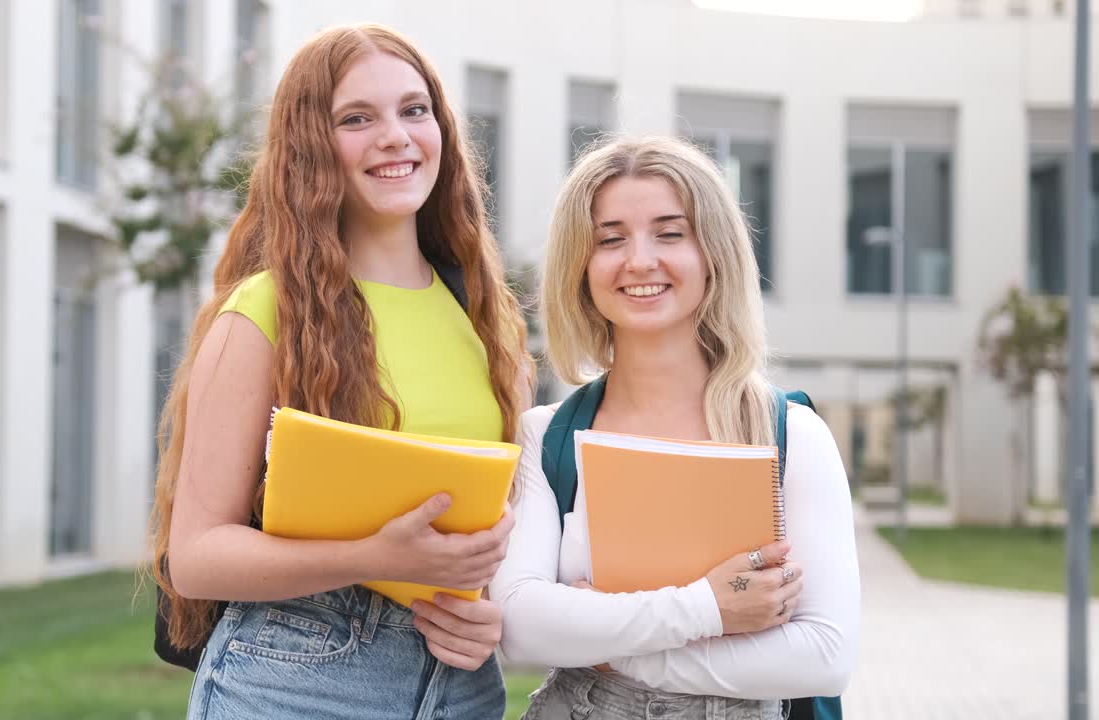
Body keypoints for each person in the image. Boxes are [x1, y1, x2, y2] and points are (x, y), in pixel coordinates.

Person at [150, 23, 531, 720]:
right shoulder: (263, 312)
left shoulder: (484, 318)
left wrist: (489, 615)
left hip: (459, 685)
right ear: (311, 147)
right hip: (299, 676)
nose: (395, 136)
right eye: (358, 118)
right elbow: (197, 555)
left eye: (414, 110)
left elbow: (497, 528)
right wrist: (374, 554)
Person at [490, 135, 859, 719]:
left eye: (670, 233)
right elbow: (521, 627)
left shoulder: (790, 434)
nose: (639, 260)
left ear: (712, 253)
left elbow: (824, 654)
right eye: (610, 238)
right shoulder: (547, 435)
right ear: (580, 265)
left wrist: (619, 653)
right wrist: (710, 607)